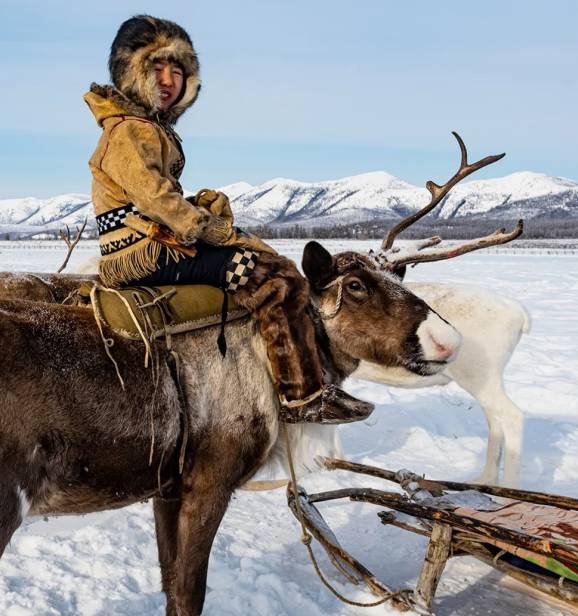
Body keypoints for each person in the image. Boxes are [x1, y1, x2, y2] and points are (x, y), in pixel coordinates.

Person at [84, 15, 371, 424]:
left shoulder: (144, 128)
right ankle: (301, 396)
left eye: (177, 70)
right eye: (155, 68)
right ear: (131, 74)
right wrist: (209, 228)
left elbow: (150, 195)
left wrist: (200, 204)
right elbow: (154, 199)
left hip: (155, 245)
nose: (168, 79)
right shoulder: (131, 130)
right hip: (146, 254)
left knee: (269, 263)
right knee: (274, 280)